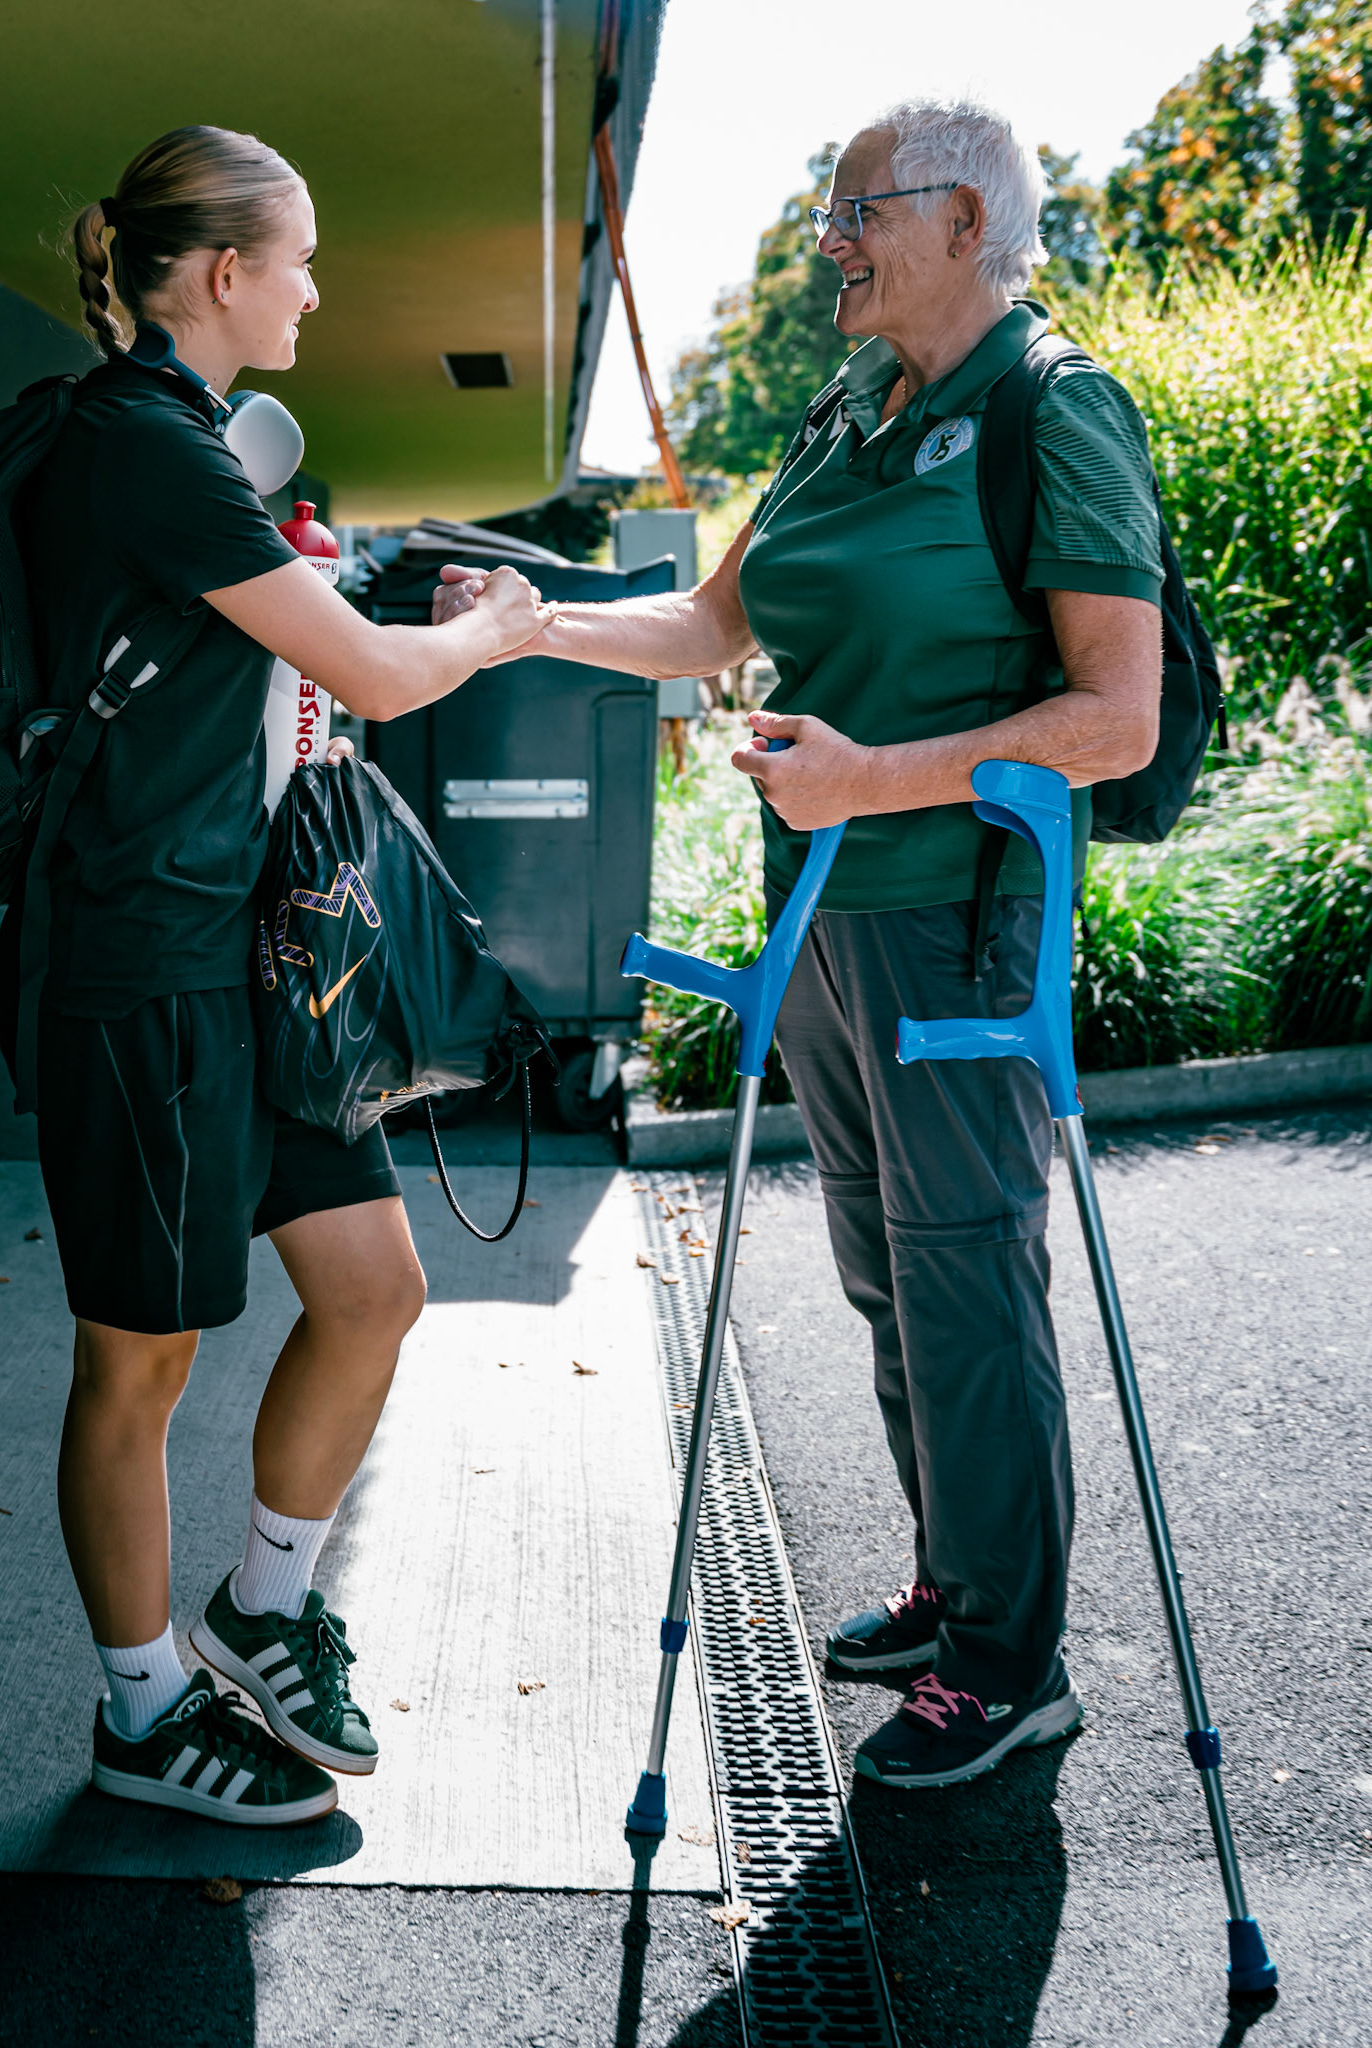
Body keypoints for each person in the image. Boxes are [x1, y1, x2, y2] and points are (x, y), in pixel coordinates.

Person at [435, 98, 1164, 1789]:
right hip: (821, 913)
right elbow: (709, 624)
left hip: (957, 924)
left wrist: (871, 777)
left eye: (859, 213)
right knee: (883, 1269)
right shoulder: (845, 407)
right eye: (830, 213)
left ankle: (1007, 1662)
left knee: (966, 1274)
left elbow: (1114, 718)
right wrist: (529, 629)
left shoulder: (1053, 410)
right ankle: (955, 1577)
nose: (828, 240)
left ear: (968, 222)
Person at [1, 125, 548, 1825]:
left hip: (251, 961)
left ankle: (265, 1599)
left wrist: (353, 604)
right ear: (222, 274)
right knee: (137, 1362)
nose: (317, 286)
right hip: (139, 966)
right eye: (299, 259)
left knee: (373, 1289)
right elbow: (382, 682)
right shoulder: (138, 442)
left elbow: (268, 664)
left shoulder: (190, 458)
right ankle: (141, 1711)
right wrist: (493, 629)